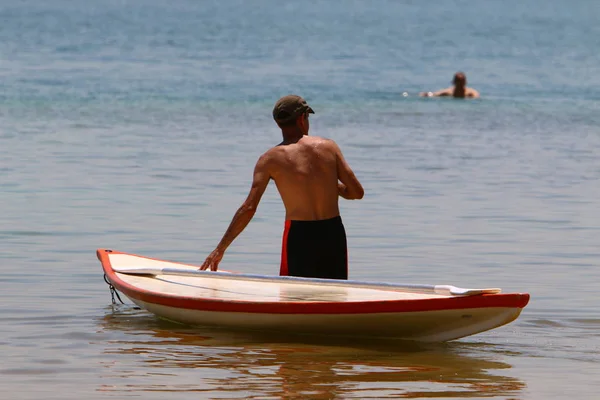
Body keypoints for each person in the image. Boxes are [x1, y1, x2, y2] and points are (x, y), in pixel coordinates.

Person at [200, 94, 364, 279]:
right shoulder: (328, 147)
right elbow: (357, 192)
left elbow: (249, 207)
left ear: (279, 124)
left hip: (299, 235)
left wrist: (220, 248)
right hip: (332, 232)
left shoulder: (269, 159)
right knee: (334, 293)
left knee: (295, 295)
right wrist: (328, 184)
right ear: (302, 118)